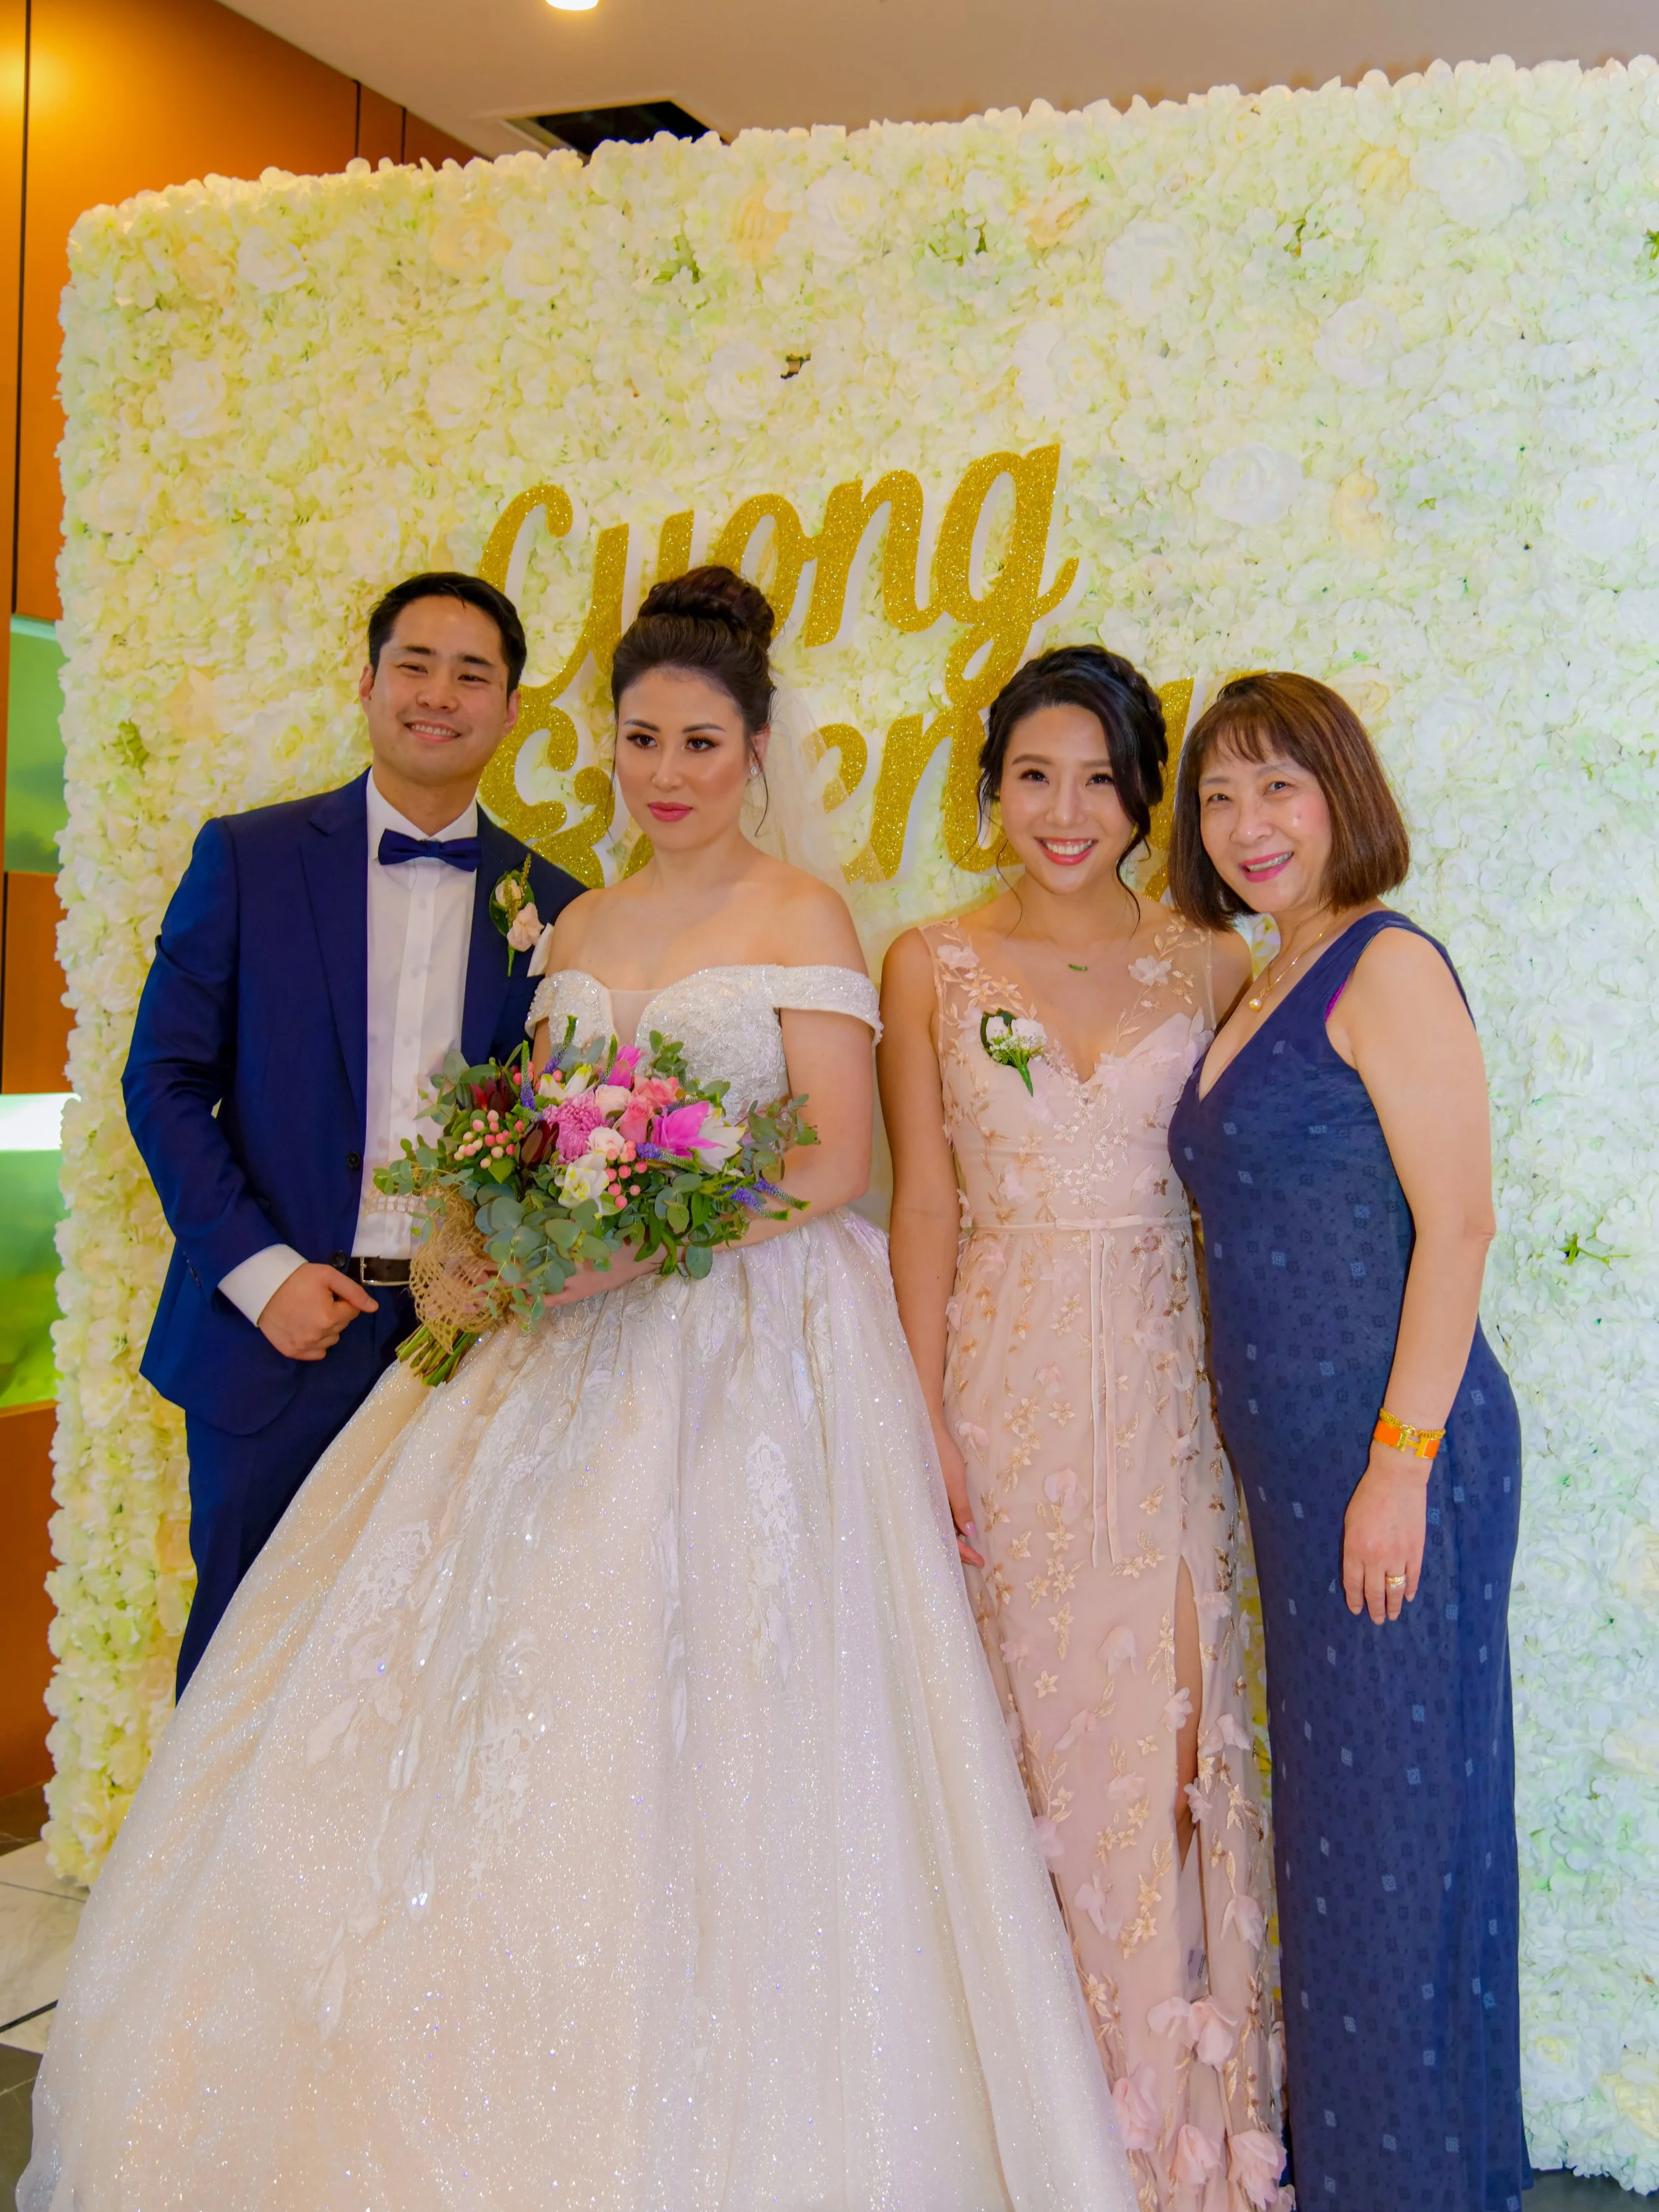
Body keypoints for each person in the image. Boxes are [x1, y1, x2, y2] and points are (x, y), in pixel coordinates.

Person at [25, 569, 1135, 2211]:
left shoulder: (800, 918)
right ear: (603, 743)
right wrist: (515, 1228)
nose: (666, 769)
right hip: (565, 1342)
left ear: (754, 750)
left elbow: (834, 1157)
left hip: (751, 1346)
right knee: (503, 1688)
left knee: (740, 1699)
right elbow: (532, 1131)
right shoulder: (575, 919)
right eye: (638, 738)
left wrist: (645, 1245)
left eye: (699, 740)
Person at [879, 646, 1289, 2212]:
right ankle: (1029, 2121)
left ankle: (1171, 2127)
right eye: (1033, 775)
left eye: (1100, 780)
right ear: (989, 784)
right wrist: (918, 1409)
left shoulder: (1210, 961)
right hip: (1000, 1381)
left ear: (1143, 794)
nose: (1065, 812)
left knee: (1165, 1744)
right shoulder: (928, 959)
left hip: (1167, 1393)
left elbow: (1246, 1198)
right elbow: (920, 1198)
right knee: (1023, 1740)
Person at [1163, 673, 1526, 2212]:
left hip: (1396, 1461)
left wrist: (1397, 1465)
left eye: (1279, 788)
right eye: (1220, 797)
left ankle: (1409, 2184)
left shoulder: (1380, 965)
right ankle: (1386, 2170)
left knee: (1396, 1831)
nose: (1247, 826)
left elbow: (1458, 1224)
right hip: (1298, 1472)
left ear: (1341, 797)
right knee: (1344, 1828)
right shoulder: (1254, 980)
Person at [122, 571, 581, 1692]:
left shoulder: (558, 904)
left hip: (461, 1348)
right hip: (277, 1335)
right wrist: (261, 1272)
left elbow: (561, 1128)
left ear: (512, 708)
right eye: (414, 665)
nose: (440, 694)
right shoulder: (249, 858)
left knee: (428, 1679)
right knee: (246, 1668)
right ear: (367, 681)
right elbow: (164, 1081)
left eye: (474, 674)